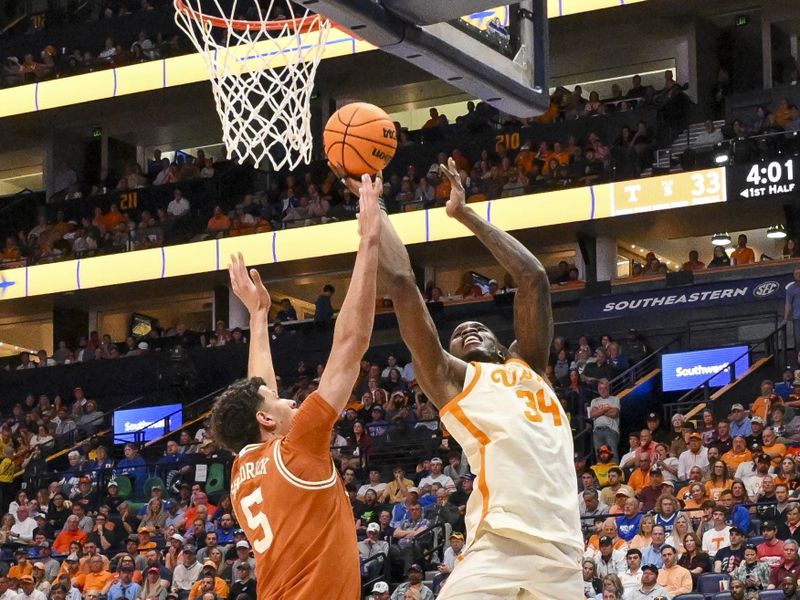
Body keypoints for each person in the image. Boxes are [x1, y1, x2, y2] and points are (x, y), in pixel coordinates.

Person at [376, 157, 583, 599]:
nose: (467, 330)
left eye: (479, 328)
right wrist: (374, 210)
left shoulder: (527, 365)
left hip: (564, 552)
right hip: (500, 543)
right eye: (455, 335)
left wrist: (464, 213)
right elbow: (401, 284)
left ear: (500, 341)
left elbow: (533, 277)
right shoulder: (455, 383)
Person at [209, 174, 382, 600]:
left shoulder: (241, 470)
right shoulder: (297, 447)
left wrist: (258, 315)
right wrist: (368, 243)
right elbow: (350, 344)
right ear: (265, 419)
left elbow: (260, 391)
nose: (289, 397)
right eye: (279, 399)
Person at [782, 267, 800, 367]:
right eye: (796, 273)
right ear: (793, 275)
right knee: (798, 341)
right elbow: (788, 304)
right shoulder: (791, 288)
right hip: (798, 318)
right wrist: (785, 318)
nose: (798, 275)